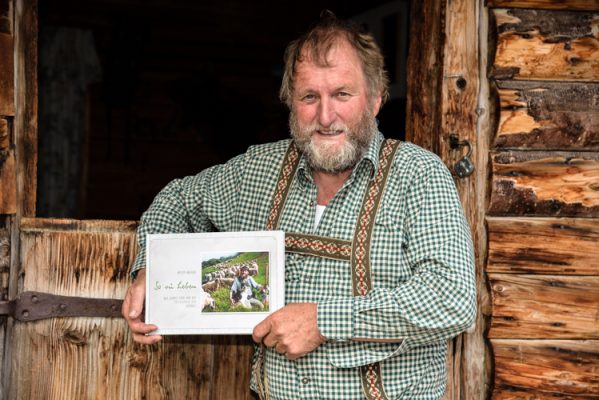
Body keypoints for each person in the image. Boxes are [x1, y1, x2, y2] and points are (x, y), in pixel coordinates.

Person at [122, 11, 476, 399]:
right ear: (291, 102)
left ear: (375, 99)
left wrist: (323, 321)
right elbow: (176, 200)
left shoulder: (419, 176)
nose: (326, 116)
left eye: (342, 94)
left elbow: (451, 299)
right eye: (310, 97)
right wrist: (147, 268)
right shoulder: (256, 172)